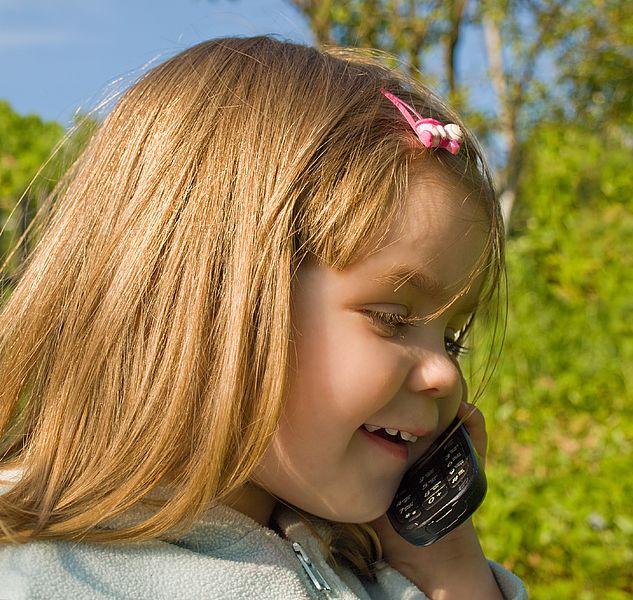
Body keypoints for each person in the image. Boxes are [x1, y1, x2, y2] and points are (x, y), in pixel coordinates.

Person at [0, 35, 525, 599]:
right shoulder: (57, 578)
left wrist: (444, 560)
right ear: (205, 299)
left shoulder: (377, 574)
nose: (445, 373)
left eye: (452, 339)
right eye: (391, 318)